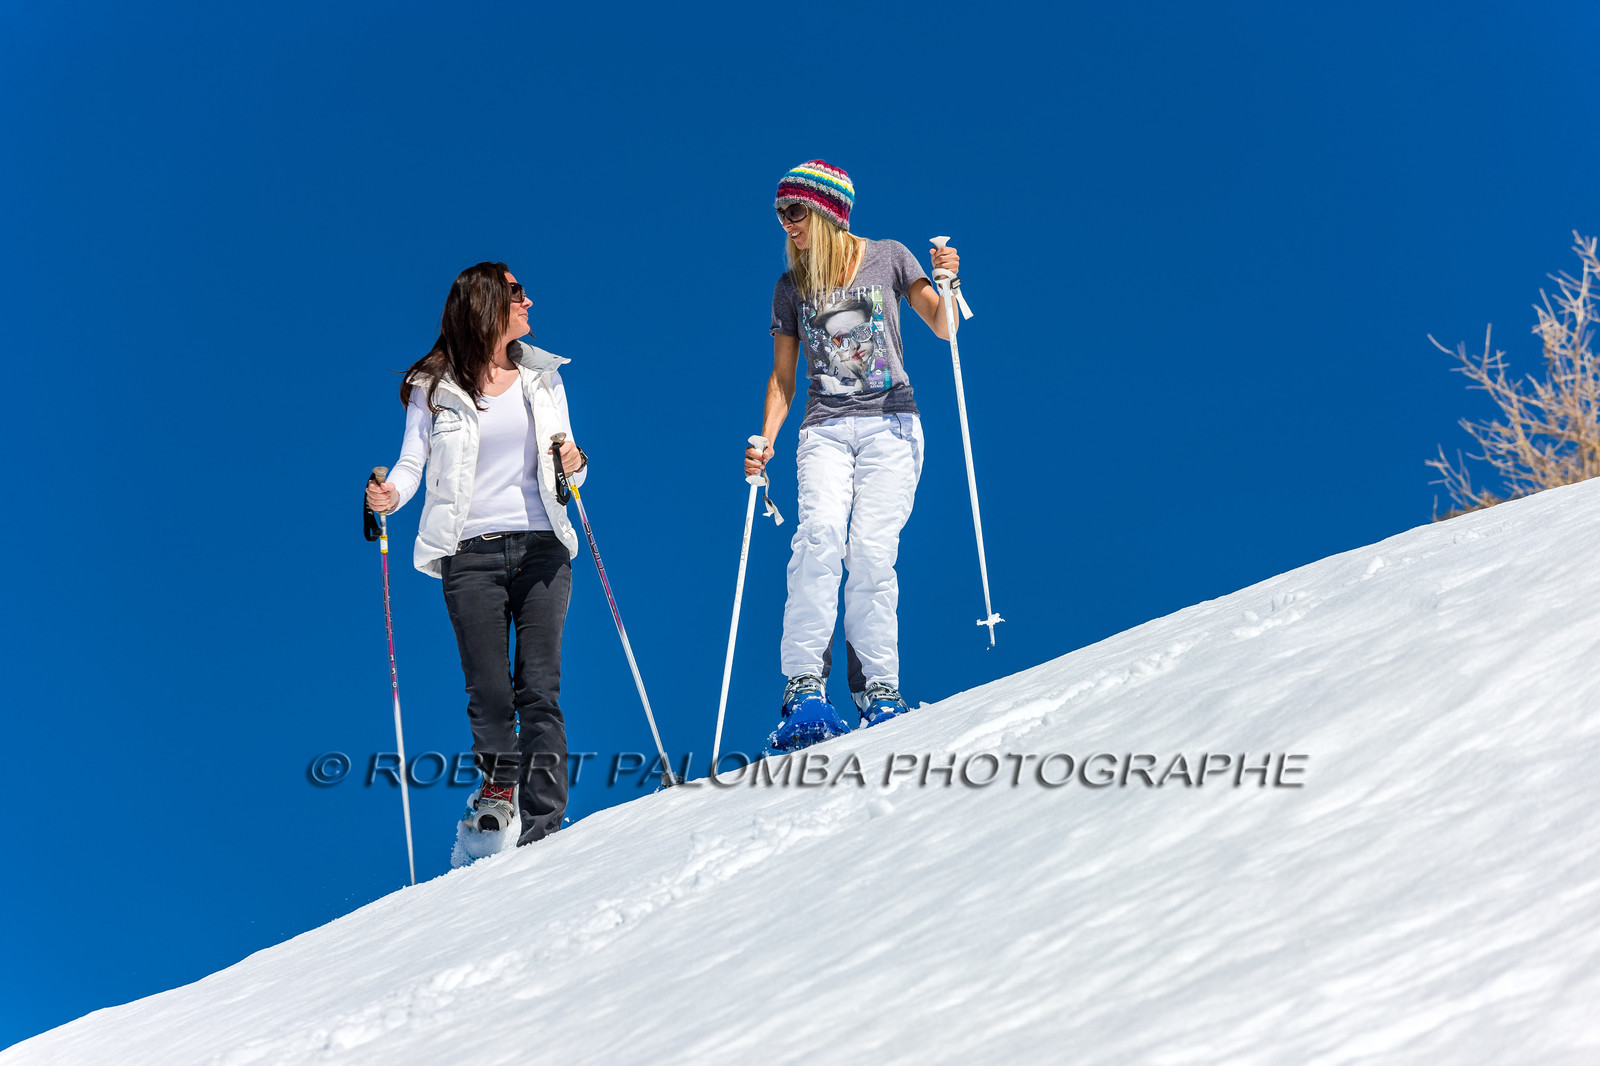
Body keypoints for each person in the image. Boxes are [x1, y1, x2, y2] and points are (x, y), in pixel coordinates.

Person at [365, 261, 586, 846]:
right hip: (469, 554)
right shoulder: (432, 385)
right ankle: (498, 788)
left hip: (543, 546)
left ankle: (545, 830)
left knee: (539, 688)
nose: (529, 301)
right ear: (487, 301)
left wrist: (575, 463)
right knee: (490, 693)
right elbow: (413, 463)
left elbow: (569, 455)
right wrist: (390, 496)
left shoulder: (544, 377)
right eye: (517, 292)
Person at [745, 160, 962, 751]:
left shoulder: (888, 256)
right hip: (825, 430)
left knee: (870, 552)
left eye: (795, 211)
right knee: (816, 538)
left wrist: (949, 283)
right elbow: (783, 378)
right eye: (781, 214)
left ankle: (879, 691)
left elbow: (943, 328)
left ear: (827, 212)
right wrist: (765, 436)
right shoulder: (790, 289)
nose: (786, 224)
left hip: (893, 423)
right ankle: (804, 688)